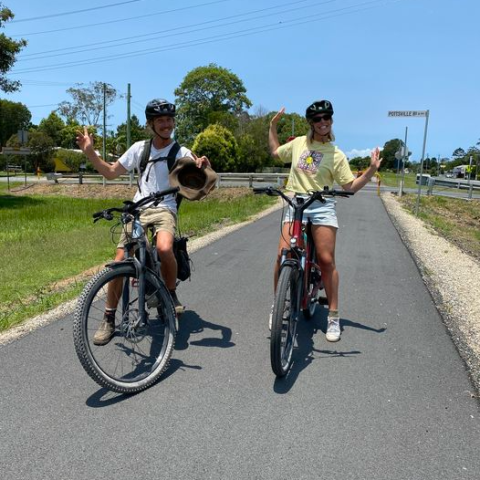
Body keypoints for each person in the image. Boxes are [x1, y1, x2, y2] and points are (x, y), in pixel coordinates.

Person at [76, 98, 211, 345]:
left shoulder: (180, 152)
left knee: (164, 248)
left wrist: (202, 165)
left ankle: (169, 296)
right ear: (150, 124)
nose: (166, 124)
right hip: (138, 208)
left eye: (169, 119)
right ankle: (108, 317)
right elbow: (110, 172)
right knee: (119, 261)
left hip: (165, 208)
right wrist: (90, 153)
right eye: (160, 120)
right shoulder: (140, 148)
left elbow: (201, 178)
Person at [268, 99, 382, 341]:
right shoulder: (299, 143)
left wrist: (371, 170)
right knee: (283, 254)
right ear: (311, 123)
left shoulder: (336, 154)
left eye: (327, 118)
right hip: (296, 202)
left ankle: (333, 315)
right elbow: (276, 153)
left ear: (331, 121)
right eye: (317, 119)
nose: (323, 122)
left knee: (326, 259)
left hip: (322, 206)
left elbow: (349, 186)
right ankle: (279, 306)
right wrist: (272, 127)